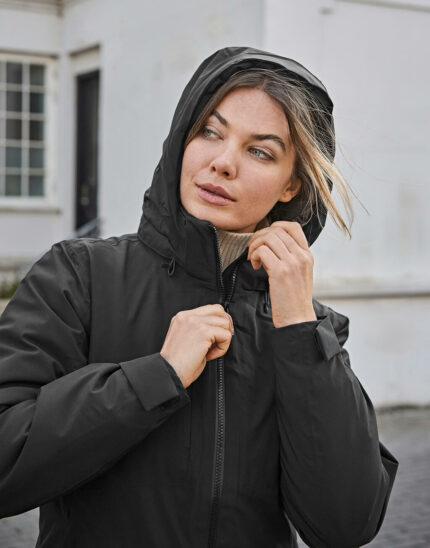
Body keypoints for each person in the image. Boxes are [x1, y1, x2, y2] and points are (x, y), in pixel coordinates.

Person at [0, 46, 397, 548]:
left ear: (291, 185)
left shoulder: (309, 330)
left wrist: (299, 329)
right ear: (182, 139)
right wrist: (156, 377)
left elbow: (346, 524)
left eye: (260, 152)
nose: (223, 163)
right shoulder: (79, 275)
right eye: (209, 131)